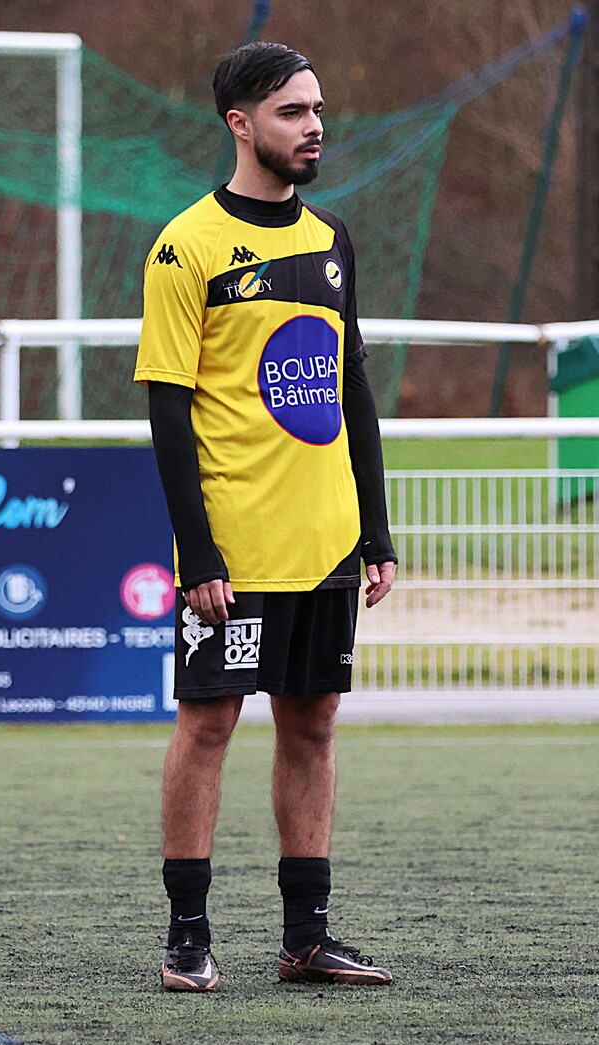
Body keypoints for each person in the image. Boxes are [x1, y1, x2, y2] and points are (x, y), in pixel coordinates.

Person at [133, 41, 398, 992]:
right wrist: (197, 550)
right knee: (208, 726)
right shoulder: (186, 245)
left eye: (318, 109)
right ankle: (188, 936)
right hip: (235, 548)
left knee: (314, 725)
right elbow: (168, 409)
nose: (314, 127)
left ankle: (306, 938)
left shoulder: (331, 240)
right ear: (240, 125)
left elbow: (351, 388)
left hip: (324, 539)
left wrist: (376, 527)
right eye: (293, 112)